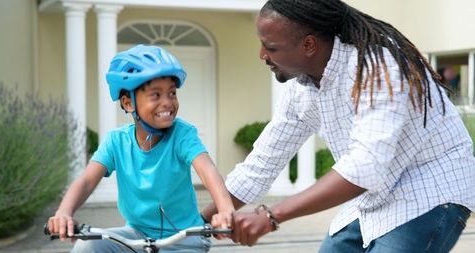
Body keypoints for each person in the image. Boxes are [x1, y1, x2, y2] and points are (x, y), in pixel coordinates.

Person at [203, 0, 475, 252]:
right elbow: (261, 165)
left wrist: (271, 216)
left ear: (309, 45)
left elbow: (364, 167)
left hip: (430, 191)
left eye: (271, 47)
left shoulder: (379, 66)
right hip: (372, 197)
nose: (262, 54)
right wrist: (191, 221)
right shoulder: (301, 89)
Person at [47, 45, 234, 253]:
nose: (167, 102)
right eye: (156, 95)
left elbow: (207, 172)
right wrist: (64, 212)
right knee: (88, 245)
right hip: (137, 236)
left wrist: (225, 209)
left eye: (172, 93)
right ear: (128, 103)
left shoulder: (183, 135)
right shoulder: (116, 142)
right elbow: (86, 181)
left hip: (186, 238)